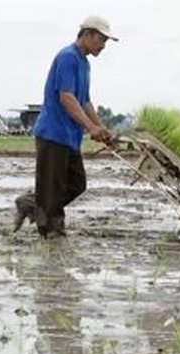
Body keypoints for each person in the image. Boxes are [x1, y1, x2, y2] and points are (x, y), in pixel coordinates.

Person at [12, 15, 117, 239]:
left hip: (70, 136)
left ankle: (29, 203)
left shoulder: (84, 63)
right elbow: (67, 98)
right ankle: (53, 232)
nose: (103, 46)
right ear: (88, 34)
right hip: (53, 133)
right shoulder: (68, 57)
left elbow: (84, 100)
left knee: (77, 184)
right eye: (101, 40)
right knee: (53, 187)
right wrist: (90, 128)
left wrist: (101, 127)